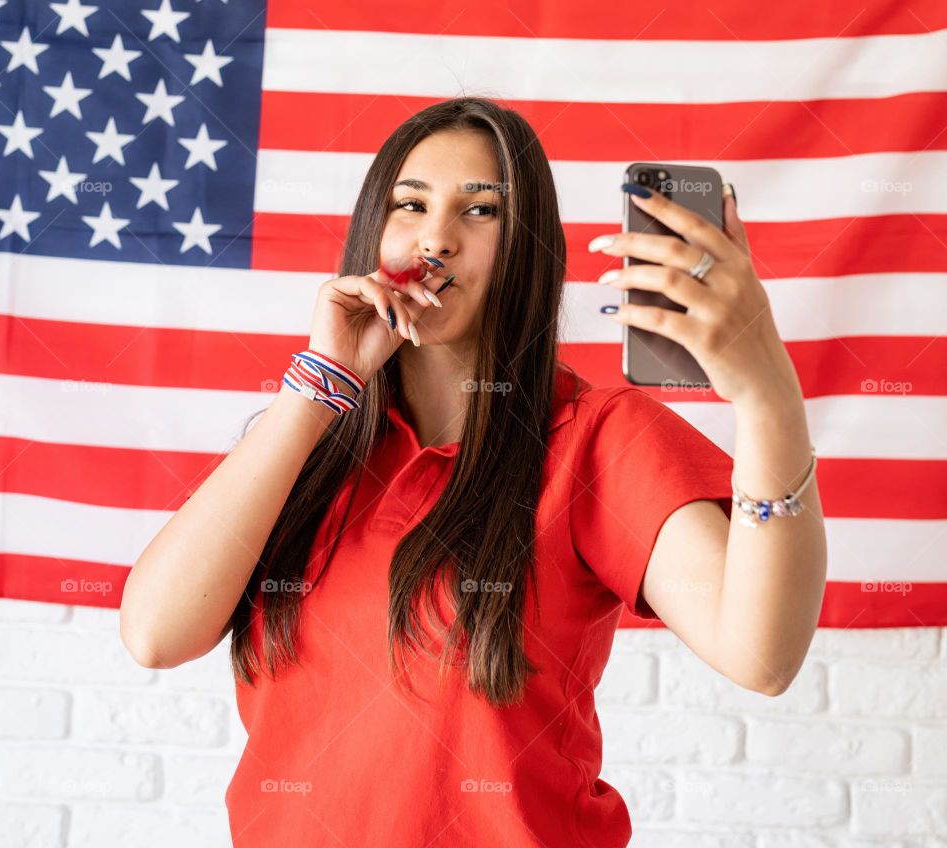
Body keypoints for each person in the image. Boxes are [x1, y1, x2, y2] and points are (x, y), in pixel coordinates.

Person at [120, 96, 826, 847]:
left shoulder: (595, 438)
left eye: (481, 210)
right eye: (410, 204)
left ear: (526, 246)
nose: (437, 237)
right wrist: (322, 381)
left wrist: (767, 393)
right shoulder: (305, 440)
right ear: (373, 231)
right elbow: (156, 635)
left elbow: (762, 655)